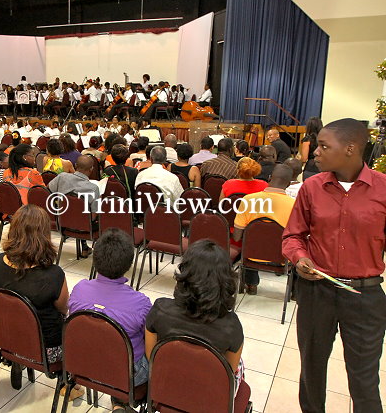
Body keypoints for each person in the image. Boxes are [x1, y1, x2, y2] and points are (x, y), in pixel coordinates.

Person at [282, 118, 386, 412]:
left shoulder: (383, 189)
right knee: (312, 370)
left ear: (350, 148)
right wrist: (299, 257)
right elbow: (293, 235)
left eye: (324, 146)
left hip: (364, 296)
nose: (316, 152)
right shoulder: (312, 187)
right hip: (318, 293)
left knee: (364, 380)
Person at [145, 240, 244, 393]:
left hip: (166, 388)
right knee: (240, 364)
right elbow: (228, 374)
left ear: (185, 273)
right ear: (225, 280)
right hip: (206, 396)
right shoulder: (232, 327)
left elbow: (151, 357)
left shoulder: (160, 309)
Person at [68, 229, 151, 404]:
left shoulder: (79, 289)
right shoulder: (141, 303)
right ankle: (119, 402)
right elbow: (149, 342)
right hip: (126, 374)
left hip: (83, 364)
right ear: (129, 264)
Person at [0, 205, 69, 387]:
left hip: (7, 338)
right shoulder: (53, 275)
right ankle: (69, 384)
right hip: (44, 349)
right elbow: (63, 309)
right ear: (44, 235)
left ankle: (17, 358)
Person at [232, 164, 295, 294]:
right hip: (281, 260)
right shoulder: (295, 205)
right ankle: (294, 292)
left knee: (250, 243)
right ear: (289, 184)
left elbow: (237, 237)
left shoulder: (248, 200)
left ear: (269, 178)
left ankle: (251, 284)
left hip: (251, 257)